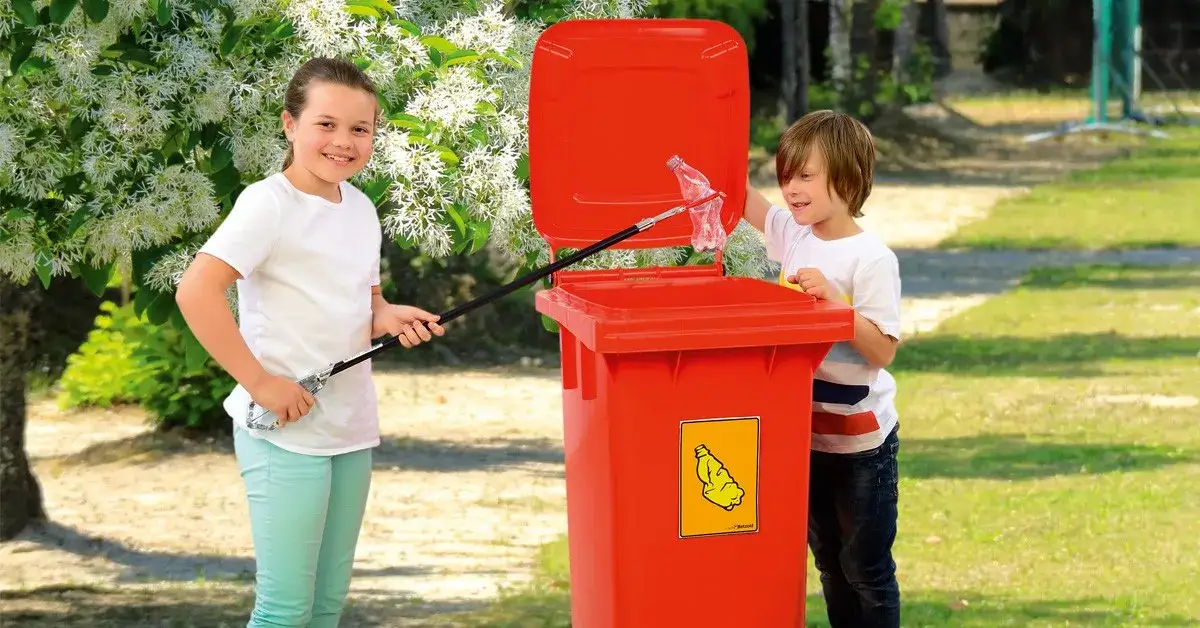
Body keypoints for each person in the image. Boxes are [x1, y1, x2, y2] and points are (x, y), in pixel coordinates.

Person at [175, 57, 446, 627]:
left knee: (325, 608)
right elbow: (196, 292)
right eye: (326, 124)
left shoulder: (361, 207)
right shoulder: (268, 203)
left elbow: (364, 305)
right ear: (290, 124)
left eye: (359, 129)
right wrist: (261, 383)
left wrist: (390, 316)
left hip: (350, 428)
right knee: (284, 610)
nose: (343, 142)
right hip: (285, 433)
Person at [742, 109, 903, 627]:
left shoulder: (871, 259)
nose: (790, 188)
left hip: (861, 446)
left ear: (848, 176)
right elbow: (742, 198)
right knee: (830, 564)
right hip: (806, 436)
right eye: (786, 175)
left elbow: (882, 351)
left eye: (805, 175)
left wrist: (837, 308)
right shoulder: (795, 234)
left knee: (866, 568)